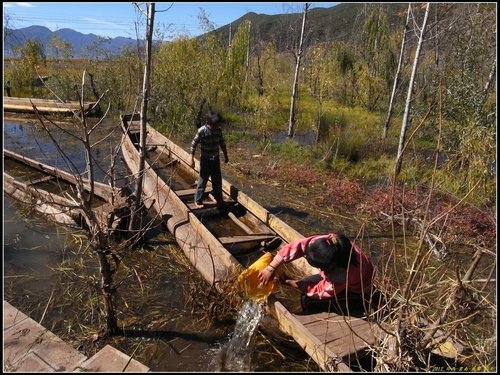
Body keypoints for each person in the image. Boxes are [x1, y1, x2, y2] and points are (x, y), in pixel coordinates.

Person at [258, 232, 375, 315]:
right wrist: (271, 267)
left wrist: (290, 282)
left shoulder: (343, 275)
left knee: (307, 300)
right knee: (307, 283)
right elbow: (298, 246)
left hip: (357, 292)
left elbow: (320, 291)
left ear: (330, 266)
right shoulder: (330, 241)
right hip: (343, 277)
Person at [189, 111, 229, 208]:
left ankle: (218, 198)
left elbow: (222, 144)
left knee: (217, 180)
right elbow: (193, 144)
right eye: (215, 124)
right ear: (209, 123)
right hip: (205, 160)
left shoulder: (218, 131)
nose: (217, 126)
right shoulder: (202, 131)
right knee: (203, 180)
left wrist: (226, 155)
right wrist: (192, 158)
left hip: (215, 160)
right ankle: (198, 200)